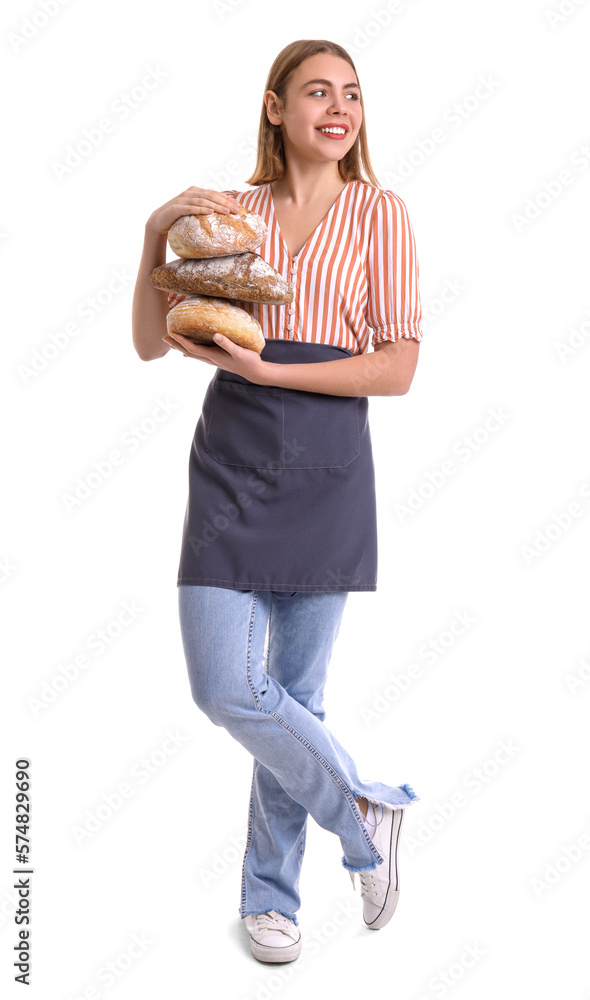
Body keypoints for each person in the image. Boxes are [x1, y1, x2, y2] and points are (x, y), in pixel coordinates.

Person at [131, 38, 424, 965]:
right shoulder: (230, 213)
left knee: (292, 697)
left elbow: (401, 364)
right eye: (316, 92)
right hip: (231, 461)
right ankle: (366, 811)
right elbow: (152, 342)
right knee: (226, 685)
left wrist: (269, 364)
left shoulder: (382, 214)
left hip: (328, 464)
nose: (338, 109)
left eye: (351, 94)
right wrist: (152, 235)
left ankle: (271, 899)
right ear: (274, 108)